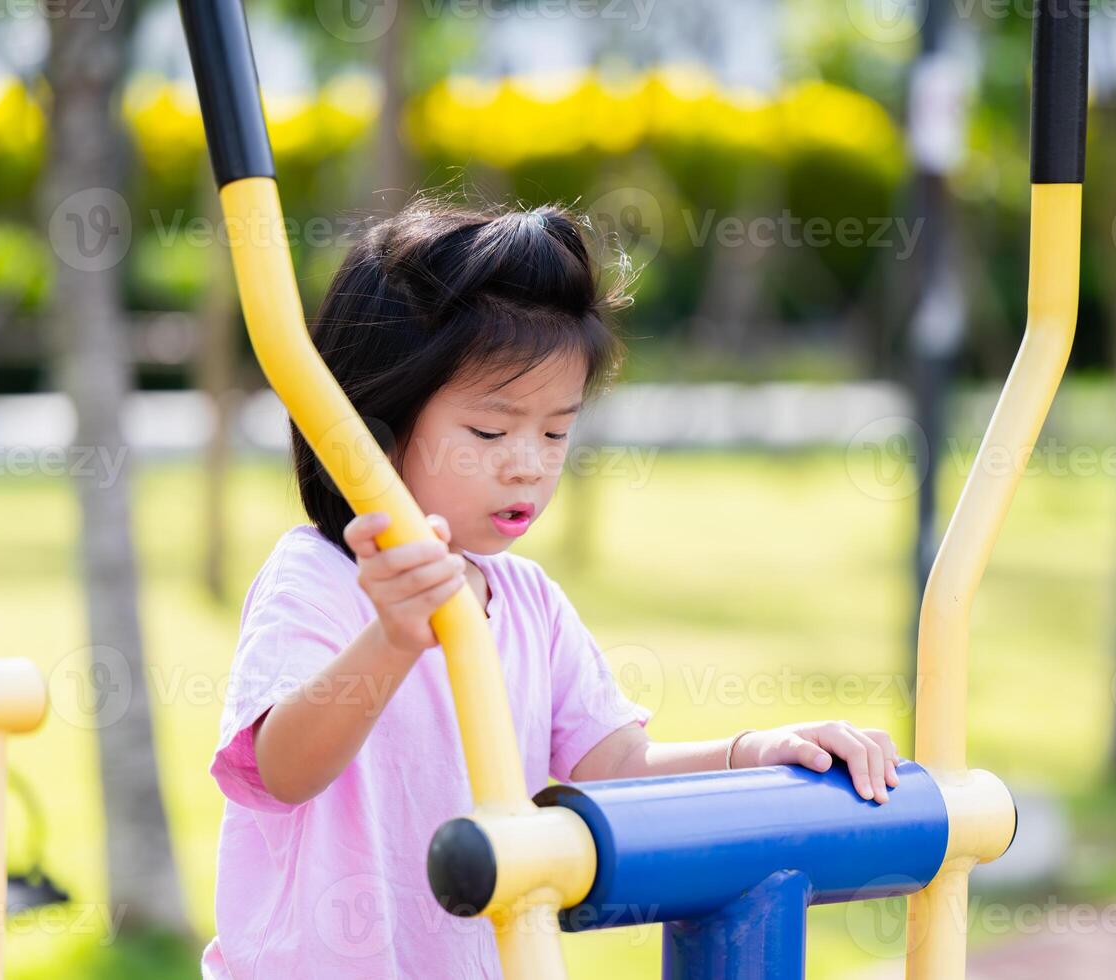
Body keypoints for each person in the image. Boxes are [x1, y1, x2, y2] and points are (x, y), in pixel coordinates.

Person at [201, 200, 902, 978]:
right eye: (492, 432)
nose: (529, 463)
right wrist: (393, 638)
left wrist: (756, 751)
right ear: (378, 426)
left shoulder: (527, 600)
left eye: (556, 431)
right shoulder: (318, 580)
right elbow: (282, 770)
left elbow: (616, 764)